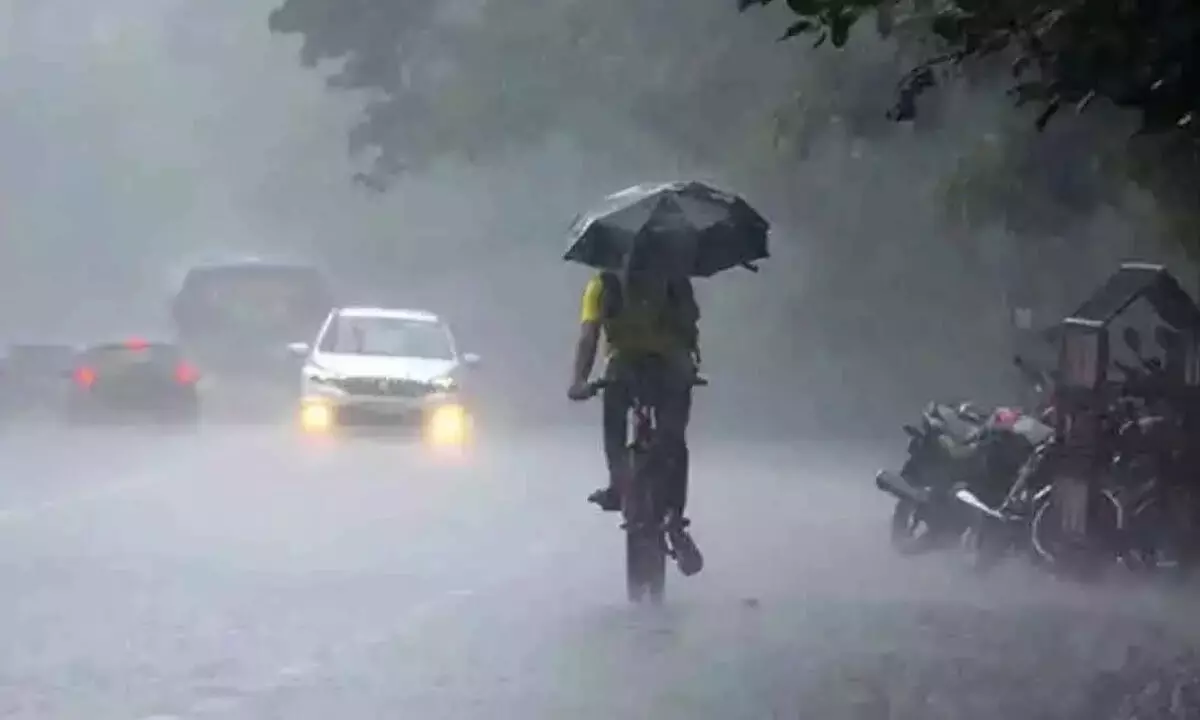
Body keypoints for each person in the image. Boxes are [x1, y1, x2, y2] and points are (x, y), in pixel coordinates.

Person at [567, 259, 701, 544]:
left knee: (615, 418)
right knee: (673, 436)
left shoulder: (602, 285)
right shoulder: (674, 279)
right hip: (670, 364)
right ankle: (674, 514)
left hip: (625, 366)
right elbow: (691, 326)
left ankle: (618, 485)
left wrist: (580, 381)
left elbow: (588, 335)